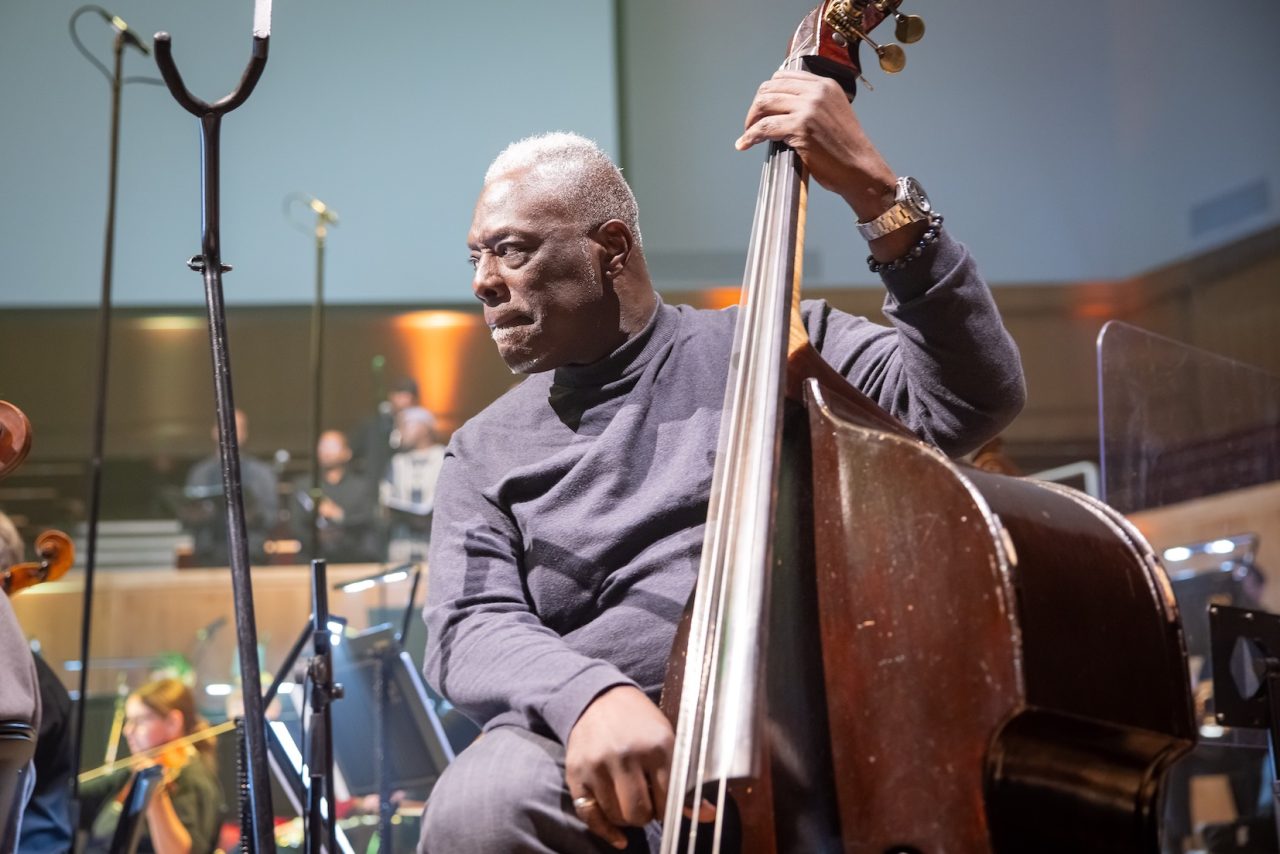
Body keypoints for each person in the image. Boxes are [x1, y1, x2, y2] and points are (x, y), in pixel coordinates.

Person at [419, 69, 1026, 853]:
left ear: (611, 248)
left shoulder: (784, 345)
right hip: (607, 751)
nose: (483, 282)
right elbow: (470, 624)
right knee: (484, 803)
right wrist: (589, 696)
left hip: (811, 724)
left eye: (511, 251)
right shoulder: (483, 449)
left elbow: (970, 400)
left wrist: (879, 194)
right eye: (476, 255)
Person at [80, 679, 223, 854]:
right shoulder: (135, 770)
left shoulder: (193, 779)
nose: (128, 730)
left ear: (173, 723)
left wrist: (155, 796)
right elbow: (80, 794)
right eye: (129, 721)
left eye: (139, 721)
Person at [181, 409, 279, 566]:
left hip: (250, 555)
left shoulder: (261, 474)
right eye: (223, 427)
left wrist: (250, 514)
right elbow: (185, 518)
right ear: (214, 431)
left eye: (235, 428)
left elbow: (271, 516)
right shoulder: (199, 473)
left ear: (244, 434)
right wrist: (197, 514)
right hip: (208, 555)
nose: (229, 433)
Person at [292, 429, 380, 563]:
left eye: (332, 446)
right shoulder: (304, 485)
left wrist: (340, 516)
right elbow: (296, 526)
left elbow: (368, 521)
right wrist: (318, 537)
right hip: (312, 558)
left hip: (353, 559)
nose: (326, 451)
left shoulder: (362, 487)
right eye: (322, 446)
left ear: (347, 453)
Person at [380, 407, 445, 563]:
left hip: (436, 542)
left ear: (424, 428)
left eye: (405, 425)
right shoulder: (397, 462)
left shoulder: (444, 456)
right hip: (402, 543)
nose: (401, 431)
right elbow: (385, 498)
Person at [353, 377, 421, 486]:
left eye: (410, 398)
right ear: (392, 396)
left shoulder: (418, 428)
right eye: (401, 396)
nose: (405, 401)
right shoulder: (374, 424)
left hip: (404, 486)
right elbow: (356, 453)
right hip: (374, 484)